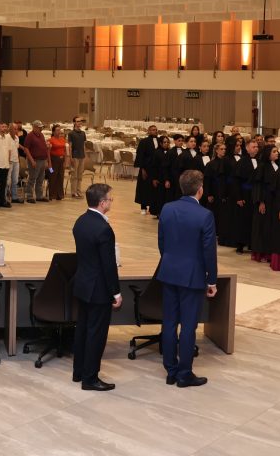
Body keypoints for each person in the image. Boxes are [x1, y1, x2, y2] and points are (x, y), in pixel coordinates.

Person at [157, 170, 218, 388]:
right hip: (192, 276)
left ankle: (170, 371)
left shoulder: (167, 208)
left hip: (168, 272)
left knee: (169, 324)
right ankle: (184, 374)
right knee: (188, 327)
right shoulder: (205, 215)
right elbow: (209, 251)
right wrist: (212, 280)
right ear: (200, 190)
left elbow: (162, 242)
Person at [71, 183, 121, 391]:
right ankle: (90, 378)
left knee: (82, 330)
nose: (111, 202)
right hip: (99, 289)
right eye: (110, 199)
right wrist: (116, 292)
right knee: (96, 334)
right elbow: (108, 265)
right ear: (102, 203)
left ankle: (79, 372)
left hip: (82, 284)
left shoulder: (80, 221)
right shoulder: (103, 229)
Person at [250, 146, 279, 264]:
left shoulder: (277, 165)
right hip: (265, 199)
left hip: (274, 200)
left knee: (271, 227)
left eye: (277, 151)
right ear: (268, 154)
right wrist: (261, 201)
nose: (277, 153)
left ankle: (270, 252)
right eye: (274, 151)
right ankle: (262, 252)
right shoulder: (262, 166)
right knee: (263, 227)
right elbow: (258, 185)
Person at [230, 139, 260, 254]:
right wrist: (238, 197)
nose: (256, 149)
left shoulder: (260, 161)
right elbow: (236, 181)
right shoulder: (242, 162)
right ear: (247, 148)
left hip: (255, 194)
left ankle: (253, 243)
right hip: (245, 194)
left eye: (257, 147)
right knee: (243, 220)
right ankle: (240, 244)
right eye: (253, 147)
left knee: (254, 219)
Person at [133, 125, 159, 215]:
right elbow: (140, 155)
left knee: (154, 188)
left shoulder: (159, 141)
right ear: (149, 131)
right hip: (146, 168)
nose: (155, 131)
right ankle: (143, 207)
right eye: (153, 130)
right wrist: (142, 169)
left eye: (156, 130)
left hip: (156, 168)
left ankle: (153, 208)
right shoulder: (143, 142)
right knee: (144, 187)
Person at [23, 120, 49, 203]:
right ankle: (29, 196)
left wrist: (46, 161)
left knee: (41, 178)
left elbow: (44, 147)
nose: (41, 129)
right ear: (34, 127)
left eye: (41, 127)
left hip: (42, 160)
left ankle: (39, 196)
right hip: (34, 160)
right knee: (32, 178)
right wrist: (31, 160)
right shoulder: (30, 136)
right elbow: (26, 149)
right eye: (39, 127)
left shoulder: (41, 135)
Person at [149, 136, 173, 217]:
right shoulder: (157, 152)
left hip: (167, 177)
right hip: (159, 177)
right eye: (164, 142)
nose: (166, 144)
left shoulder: (170, 152)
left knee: (166, 196)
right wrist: (154, 178)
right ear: (160, 143)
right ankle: (158, 212)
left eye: (167, 142)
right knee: (159, 196)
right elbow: (153, 166)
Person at [67, 116, 88, 199]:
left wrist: (85, 155)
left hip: (81, 156)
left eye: (80, 121)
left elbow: (83, 145)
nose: (79, 123)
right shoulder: (71, 133)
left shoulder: (83, 133)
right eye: (77, 121)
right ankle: (73, 192)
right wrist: (70, 157)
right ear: (74, 123)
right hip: (74, 156)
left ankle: (78, 191)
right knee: (74, 175)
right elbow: (70, 146)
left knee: (80, 175)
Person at [47, 124, 67, 201]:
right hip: (53, 161)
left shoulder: (63, 139)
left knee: (60, 177)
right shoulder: (50, 140)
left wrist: (65, 161)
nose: (59, 132)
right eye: (57, 130)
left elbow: (65, 151)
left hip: (61, 160)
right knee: (52, 176)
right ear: (53, 132)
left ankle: (60, 195)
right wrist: (49, 163)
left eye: (60, 130)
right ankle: (52, 195)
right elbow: (48, 152)